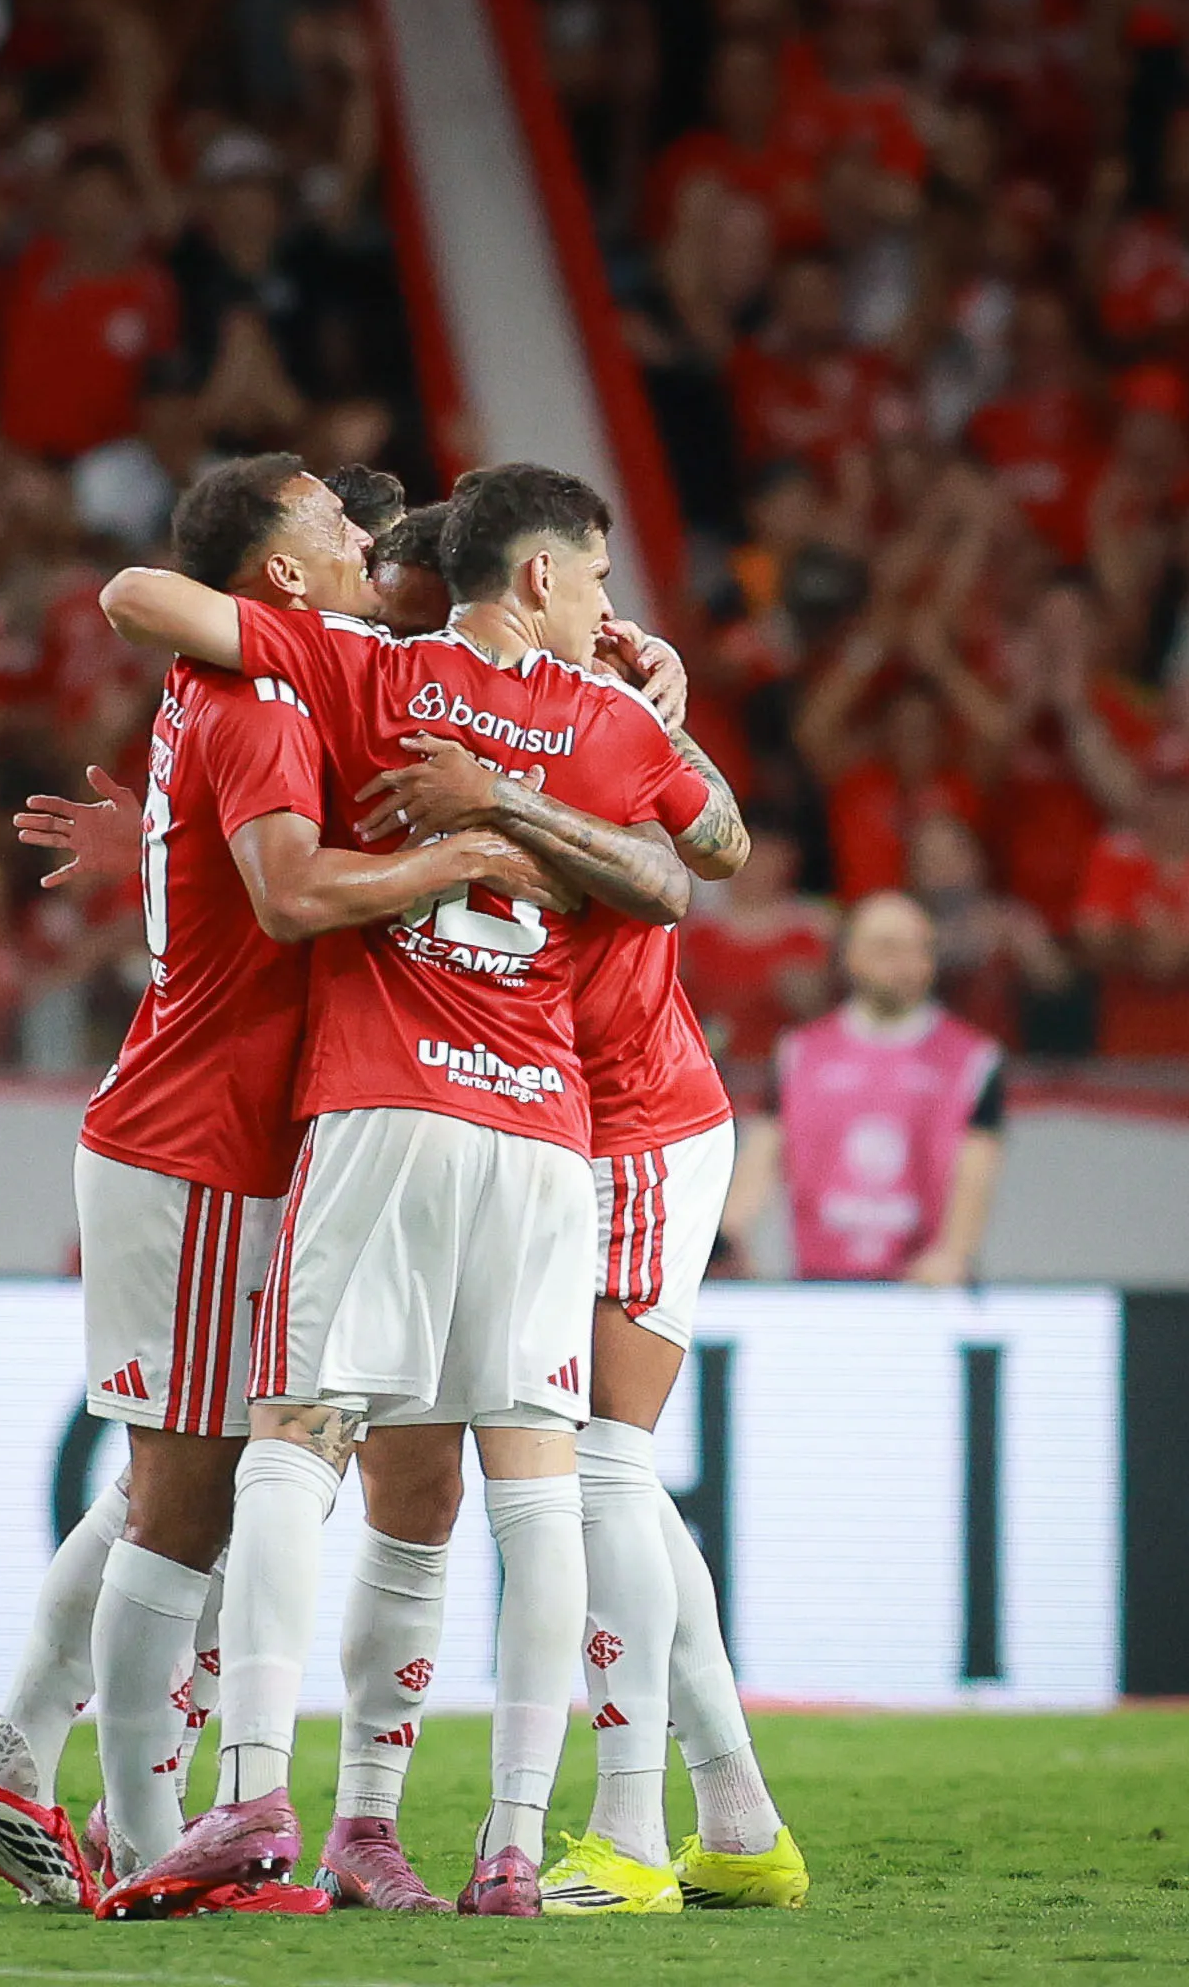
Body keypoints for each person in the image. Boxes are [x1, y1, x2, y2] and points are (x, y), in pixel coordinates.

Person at [92, 462, 712, 1919]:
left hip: (388, 1101)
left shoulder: (375, 672)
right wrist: (597, 743)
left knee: (292, 1444)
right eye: (602, 582)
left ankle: (248, 1798)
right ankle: (513, 1845)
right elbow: (704, 865)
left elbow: (139, 599)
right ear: (546, 580)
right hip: (548, 1133)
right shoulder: (616, 726)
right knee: (537, 1489)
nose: (611, 609)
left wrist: (467, 820)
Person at [0, 457, 554, 1910]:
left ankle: (24, 1759)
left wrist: (157, 847)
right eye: (336, 529)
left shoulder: (279, 689)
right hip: (205, 1143)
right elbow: (287, 893)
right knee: (185, 1502)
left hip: (217, 1134)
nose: (360, 548)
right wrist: (460, 854)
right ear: (283, 576)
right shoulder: (271, 694)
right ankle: (137, 1832)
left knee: (181, 1484)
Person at [339, 540, 809, 1914]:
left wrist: (622, 741)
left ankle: (632, 1837)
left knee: (600, 1468)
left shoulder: (589, 705)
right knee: (609, 1482)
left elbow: (707, 851)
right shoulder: (424, 703)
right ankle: (734, 1816)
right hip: (539, 1130)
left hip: (641, 1120)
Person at [729, 893, 1007, 1285]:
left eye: (919, 948)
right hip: (819, 1283)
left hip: (923, 1288)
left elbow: (976, 1168)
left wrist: (954, 1253)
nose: (905, 963)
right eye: (887, 947)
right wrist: (732, 1233)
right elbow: (764, 1152)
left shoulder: (972, 1060)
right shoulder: (800, 1053)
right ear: (850, 956)